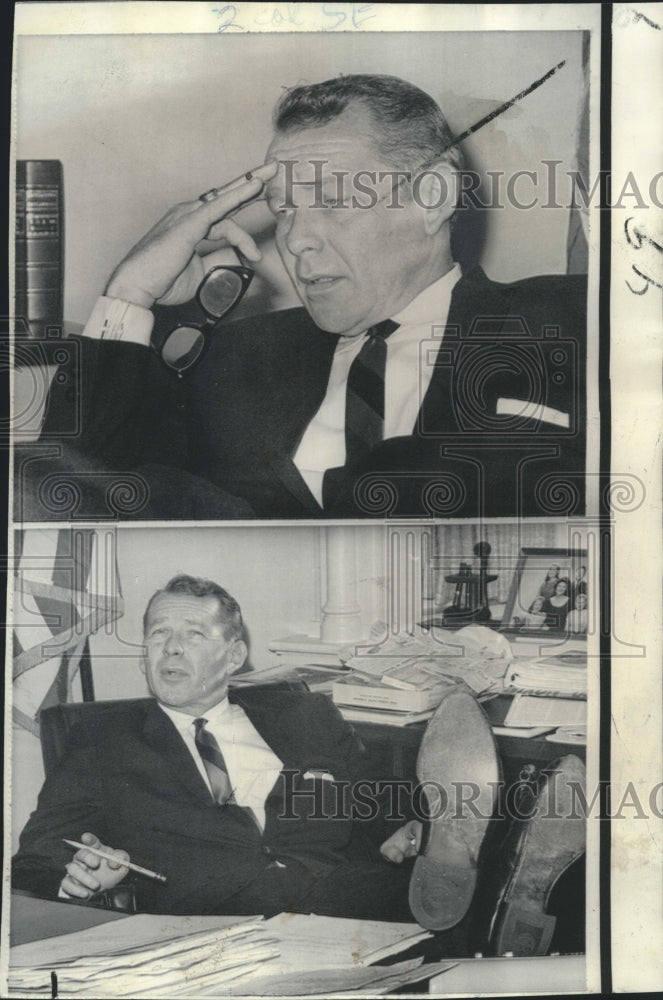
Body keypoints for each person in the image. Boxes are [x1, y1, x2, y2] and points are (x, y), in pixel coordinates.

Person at [20, 74, 586, 521]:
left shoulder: (567, 319)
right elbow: (68, 494)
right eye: (284, 207)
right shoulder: (229, 362)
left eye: (331, 197)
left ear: (433, 196)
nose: (293, 237)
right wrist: (131, 293)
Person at [12, 574, 499, 933]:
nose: (172, 650)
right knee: (474, 907)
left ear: (234, 656)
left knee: (469, 892)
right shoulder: (102, 741)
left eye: (194, 635)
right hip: (211, 923)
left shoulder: (301, 714)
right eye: (159, 634)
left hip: (343, 899)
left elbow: (374, 804)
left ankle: (478, 867)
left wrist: (410, 827)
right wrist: (77, 878)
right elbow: (37, 855)